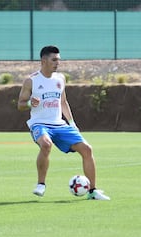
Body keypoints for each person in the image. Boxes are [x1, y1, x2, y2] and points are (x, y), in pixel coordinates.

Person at [17, 45, 110, 200]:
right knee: (46, 145)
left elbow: (63, 102)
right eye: (54, 60)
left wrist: (72, 123)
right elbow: (20, 104)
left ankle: (93, 191)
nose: (57, 63)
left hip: (59, 124)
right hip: (39, 124)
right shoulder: (31, 81)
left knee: (87, 149)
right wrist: (28, 104)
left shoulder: (60, 79)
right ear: (43, 60)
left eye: (58, 60)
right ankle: (41, 184)